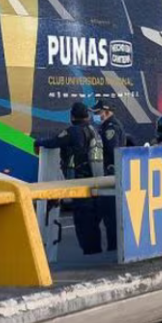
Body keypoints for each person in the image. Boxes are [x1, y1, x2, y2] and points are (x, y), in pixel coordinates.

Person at [34, 102, 104, 255]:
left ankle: (90, 256)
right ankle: (95, 253)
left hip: (81, 185)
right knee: (93, 224)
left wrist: (38, 142)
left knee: (83, 223)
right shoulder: (94, 130)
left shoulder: (74, 132)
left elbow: (54, 142)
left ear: (72, 116)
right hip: (96, 184)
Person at [94, 99, 124, 251]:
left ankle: (113, 247)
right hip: (110, 173)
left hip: (111, 174)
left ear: (106, 112)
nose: (96, 115)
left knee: (110, 215)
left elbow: (112, 150)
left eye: (98, 112)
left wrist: (110, 169)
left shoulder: (110, 127)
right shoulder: (106, 126)